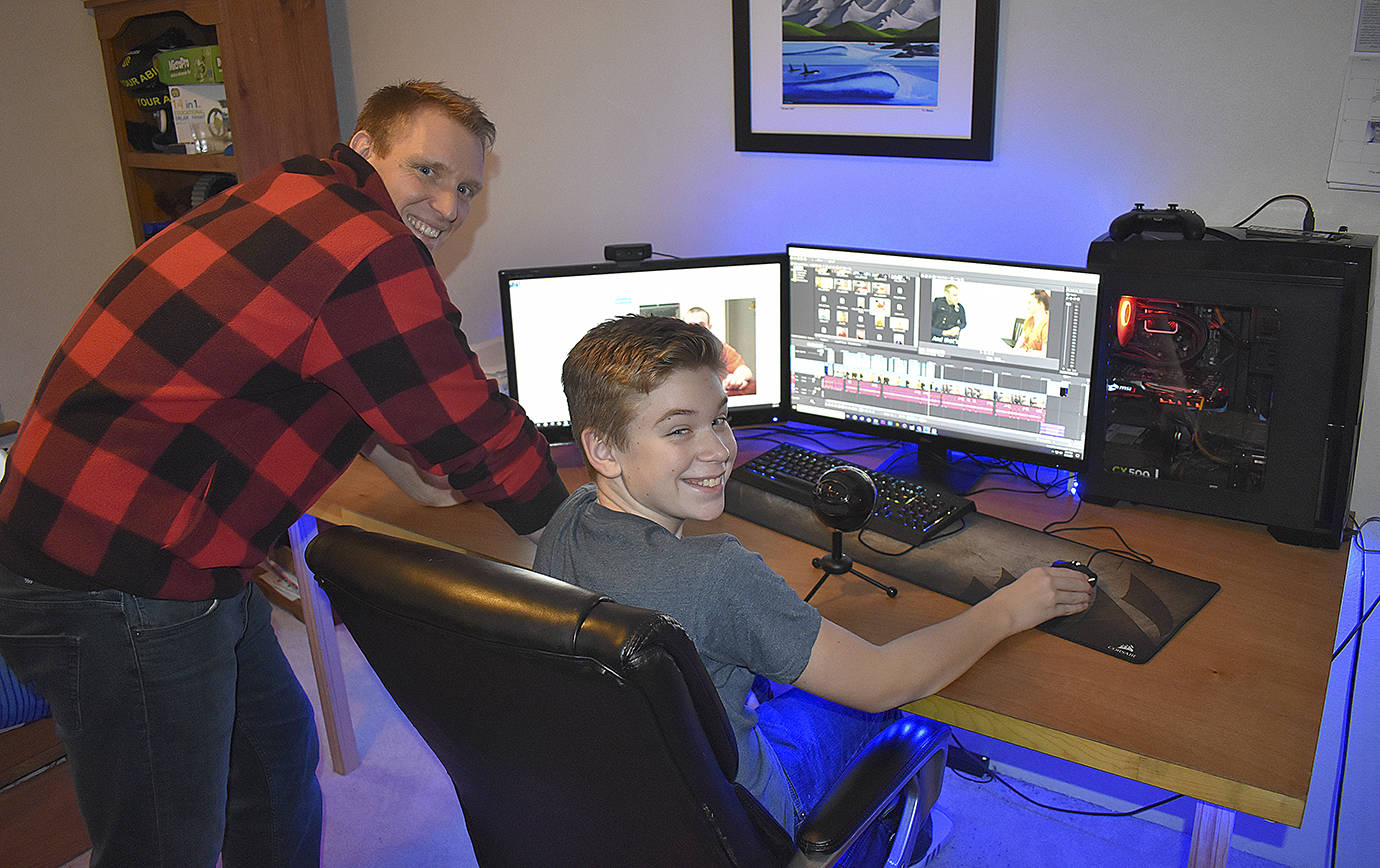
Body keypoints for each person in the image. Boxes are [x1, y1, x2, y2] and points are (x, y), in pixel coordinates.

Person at [0, 80, 568, 867]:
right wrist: (571, 533)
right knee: (165, 840)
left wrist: (406, 472)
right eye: (428, 172)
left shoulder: (296, 193)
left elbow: (304, 360)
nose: (447, 204)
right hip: (115, 570)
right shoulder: (367, 246)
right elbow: (467, 421)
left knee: (271, 765)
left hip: (145, 540)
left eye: (466, 187)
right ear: (367, 147)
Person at [534, 315, 1092, 849]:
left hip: (629, 803)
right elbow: (883, 680)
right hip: (748, 814)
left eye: (720, 419)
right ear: (603, 450)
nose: (718, 450)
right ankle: (904, 838)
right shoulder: (716, 573)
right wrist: (1010, 609)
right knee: (889, 707)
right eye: (680, 429)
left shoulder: (571, 516)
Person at [683, 306, 755, 394]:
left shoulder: (721, 349)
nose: (696, 329)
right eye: (691, 325)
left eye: (701, 325)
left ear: (709, 327)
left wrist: (736, 379)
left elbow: (744, 370)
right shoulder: (675, 351)